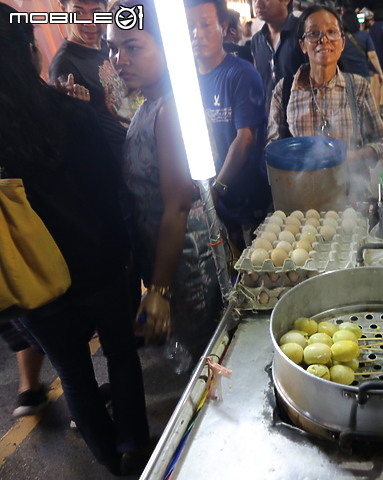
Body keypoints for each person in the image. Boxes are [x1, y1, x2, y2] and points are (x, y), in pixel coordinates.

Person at [0, 3, 150, 474]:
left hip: (34, 284)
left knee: (76, 380)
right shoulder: (69, 111)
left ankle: (109, 460)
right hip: (99, 265)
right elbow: (112, 189)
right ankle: (134, 447)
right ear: (31, 53)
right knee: (122, 355)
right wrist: (129, 252)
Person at [108, 0, 222, 356]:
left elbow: (177, 205)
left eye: (133, 47)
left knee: (206, 361)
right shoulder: (149, 104)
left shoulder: (171, 110)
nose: (119, 59)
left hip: (186, 265)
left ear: (165, 47)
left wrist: (158, 291)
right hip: (167, 260)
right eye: (113, 48)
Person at [266, 5, 383, 203]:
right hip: (300, 198)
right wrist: (298, 162)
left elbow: (382, 140)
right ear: (303, 45)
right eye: (314, 33)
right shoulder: (284, 89)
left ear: (342, 43)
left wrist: (353, 156)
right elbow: (272, 147)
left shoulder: (357, 87)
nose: (323, 40)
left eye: (331, 32)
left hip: (350, 196)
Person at [186, 0, 272, 252]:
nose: (196, 33)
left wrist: (217, 189)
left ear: (223, 28)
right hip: (207, 201)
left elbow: (245, 139)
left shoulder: (241, 74)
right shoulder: (184, 78)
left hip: (243, 199)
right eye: (190, 26)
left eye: (204, 24)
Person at [49, 0, 133, 162]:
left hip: (140, 146)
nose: (90, 21)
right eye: (79, 12)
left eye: (96, 12)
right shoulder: (64, 65)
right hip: (116, 161)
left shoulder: (110, 46)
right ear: (63, 10)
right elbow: (72, 136)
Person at [251, 0, 306, 111]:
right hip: (270, 120)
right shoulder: (257, 40)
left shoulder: (303, 31)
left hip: (301, 117)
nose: (257, 4)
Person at [339, 10, 383, 86]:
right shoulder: (365, 36)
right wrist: (380, 73)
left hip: (345, 76)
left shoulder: (340, 38)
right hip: (363, 74)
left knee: (348, 97)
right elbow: (372, 56)